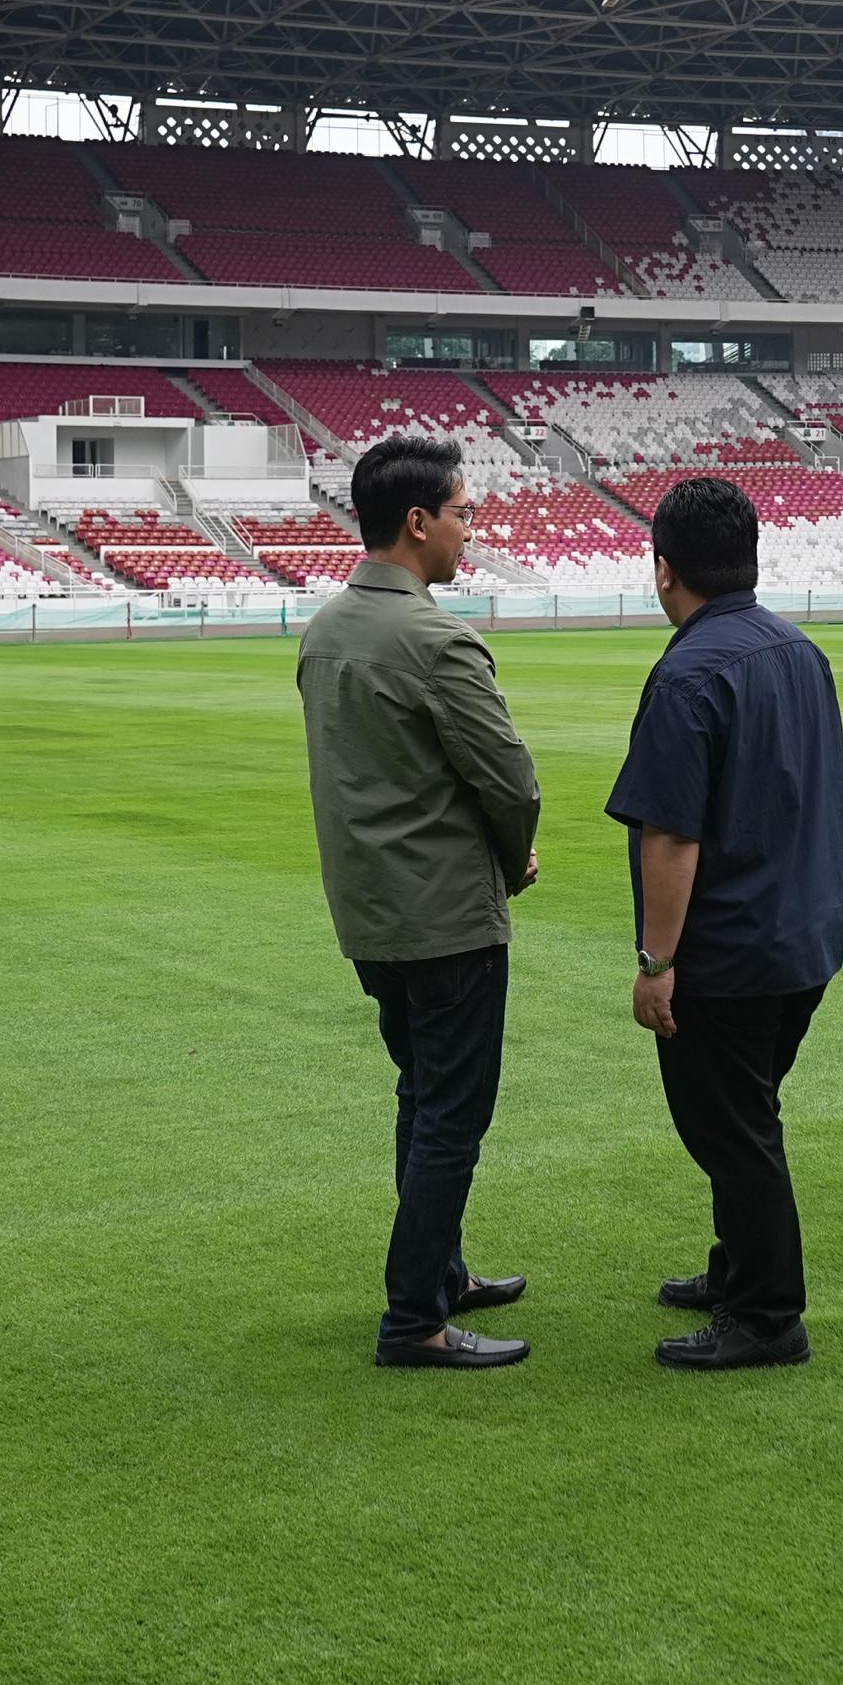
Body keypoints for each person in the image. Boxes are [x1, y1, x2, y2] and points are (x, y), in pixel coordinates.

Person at [296, 433, 542, 1370]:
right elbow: (511, 781)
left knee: (420, 1093)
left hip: (371, 913)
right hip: (447, 916)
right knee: (452, 1113)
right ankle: (415, 1319)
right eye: (463, 513)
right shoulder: (435, 638)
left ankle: (439, 1274)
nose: (468, 531)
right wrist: (514, 856)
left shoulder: (326, 628)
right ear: (417, 521)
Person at [608, 473, 843, 1371]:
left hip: (731, 948)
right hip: (806, 933)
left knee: (731, 1128)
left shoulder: (687, 675)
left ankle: (767, 1314)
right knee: (747, 1112)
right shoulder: (800, 652)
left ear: (663, 568)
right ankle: (738, 1268)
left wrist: (654, 959)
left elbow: (670, 835)